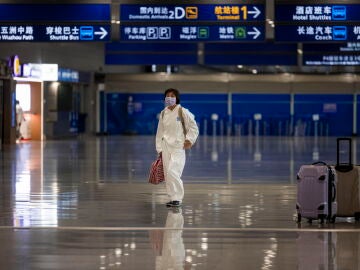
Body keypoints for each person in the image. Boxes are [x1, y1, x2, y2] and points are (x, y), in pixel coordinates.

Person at [155, 88, 199, 207]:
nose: (170, 98)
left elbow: (193, 127)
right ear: (164, 99)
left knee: (173, 171)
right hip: (165, 147)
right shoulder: (163, 113)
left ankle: (178, 198)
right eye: (167, 96)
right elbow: (160, 132)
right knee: (167, 174)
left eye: (172, 95)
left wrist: (189, 140)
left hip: (178, 147)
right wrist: (159, 149)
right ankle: (173, 198)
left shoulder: (183, 112)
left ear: (177, 98)